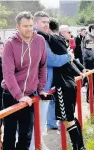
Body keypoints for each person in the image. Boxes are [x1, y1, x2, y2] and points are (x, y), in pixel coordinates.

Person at [2, 11, 47, 150]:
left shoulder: (40, 41)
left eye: (31, 25)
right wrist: (19, 96)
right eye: (25, 26)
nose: (29, 29)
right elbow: (8, 73)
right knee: (9, 135)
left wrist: (41, 89)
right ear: (17, 26)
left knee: (25, 136)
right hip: (11, 95)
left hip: (30, 95)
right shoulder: (9, 44)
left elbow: (42, 66)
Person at [30, 12, 74, 150]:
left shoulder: (41, 36)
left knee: (39, 121)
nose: (46, 25)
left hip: (43, 86)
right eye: (43, 22)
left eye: (47, 22)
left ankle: (38, 144)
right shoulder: (37, 37)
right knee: (35, 121)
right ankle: (34, 145)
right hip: (38, 87)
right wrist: (68, 56)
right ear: (35, 22)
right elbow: (51, 59)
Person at [39, 20, 86, 150]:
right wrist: (80, 70)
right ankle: (80, 146)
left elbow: (66, 60)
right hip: (69, 82)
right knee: (70, 118)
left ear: (48, 28)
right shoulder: (61, 40)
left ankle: (79, 147)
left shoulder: (53, 39)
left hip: (63, 84)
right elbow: (70, 60)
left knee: (67, 120)